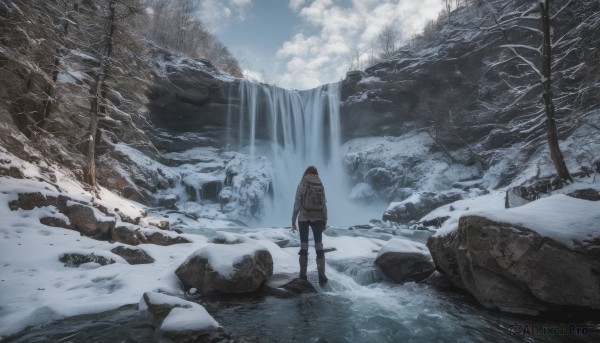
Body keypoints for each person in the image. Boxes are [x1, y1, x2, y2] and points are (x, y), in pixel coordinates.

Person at [291, 165, 328, 284]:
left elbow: (297, 202)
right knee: (319, 246)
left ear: (306, 172)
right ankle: (322, 276)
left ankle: (303, 276)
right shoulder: (320, 184)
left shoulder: (303, 182)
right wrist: (325, 220)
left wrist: (293, 219)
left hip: (304, 217)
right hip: (317, 217)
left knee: (304, 245)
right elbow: (324, 204)